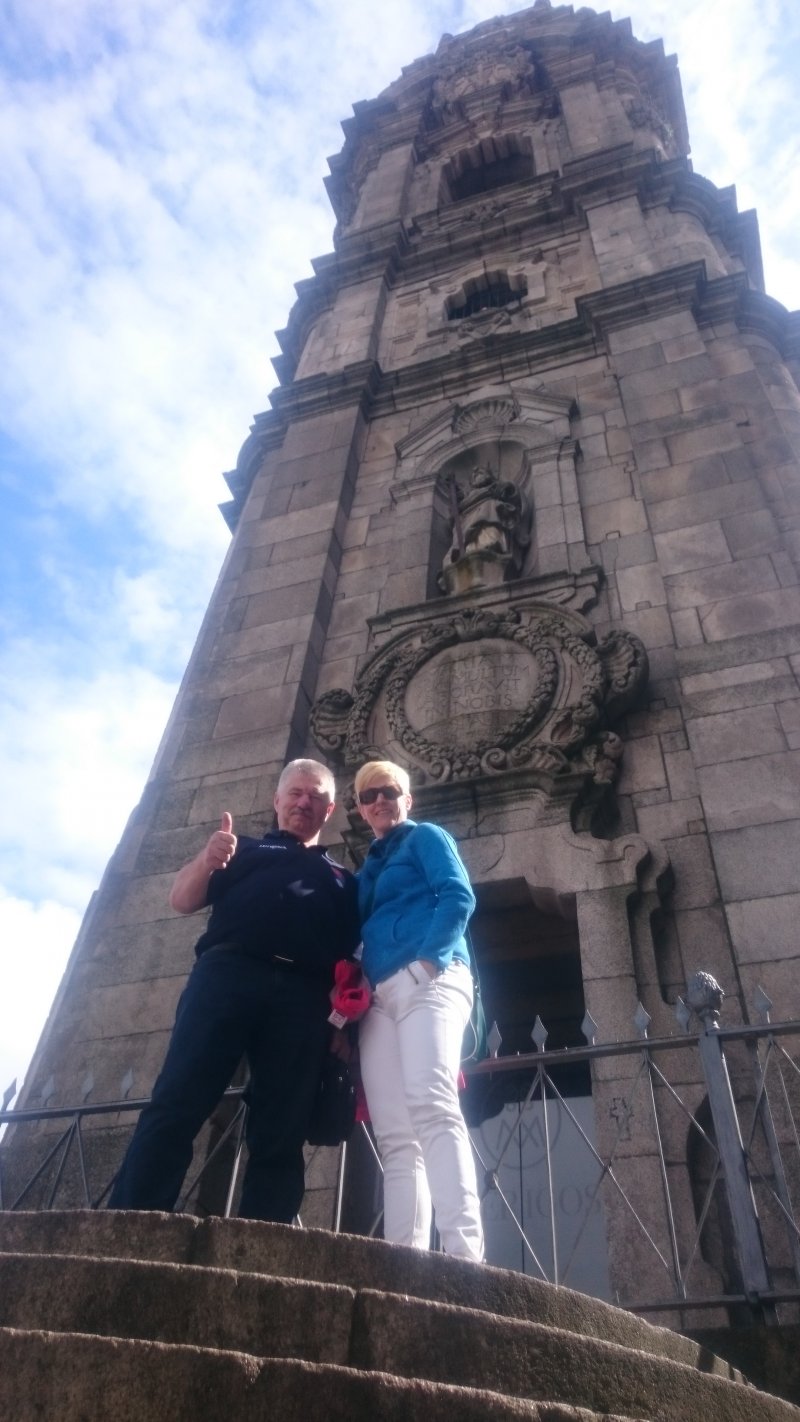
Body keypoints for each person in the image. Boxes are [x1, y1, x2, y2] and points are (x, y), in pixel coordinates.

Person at [108, 758, 359, 1222]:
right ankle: (133, 1222)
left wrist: (343, 1026)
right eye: (296, 793)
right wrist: (208, 859)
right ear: (277, 800)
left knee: (283, 1123)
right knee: (180, 1096)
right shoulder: (240, 848)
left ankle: (262, 1239)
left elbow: (352, 960)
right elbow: (181, 899)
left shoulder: (344, 880)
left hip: (303, 996)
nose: (304, 802)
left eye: (316, 797)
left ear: (329, 810)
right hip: (227, 973)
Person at [354, 759, 484, 1263]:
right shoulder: (369, 867)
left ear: (406, 799)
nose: (379, 801)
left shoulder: (425, 837)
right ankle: (403, 1266)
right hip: (379, 997)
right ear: (361, 809)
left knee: (432, 1104)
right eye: (368, 796)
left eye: (388, 792)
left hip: (428, 978)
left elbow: (458, 894)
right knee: (394, 1134)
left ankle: (464, 1257)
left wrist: (429, 961)